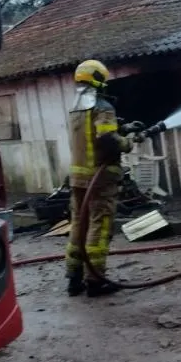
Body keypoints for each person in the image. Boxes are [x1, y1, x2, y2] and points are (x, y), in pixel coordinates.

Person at [65, 59, 143, 297]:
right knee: (99, 227)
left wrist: (123, 128)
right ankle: (95, 281)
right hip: (100, 179)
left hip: (78, 178)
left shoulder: (77, 107)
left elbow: (95, 134)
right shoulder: (102, 106)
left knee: (79, 225)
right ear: (98, 79)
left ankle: (74, 279)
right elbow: (107, 139)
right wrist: (128, 142)